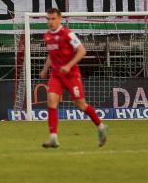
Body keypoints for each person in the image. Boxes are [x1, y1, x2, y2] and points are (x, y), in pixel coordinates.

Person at [39, 9, 108, 148]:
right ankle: (53, 137)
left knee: (80, 105)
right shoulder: (47, 36)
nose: (50, 22)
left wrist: (69, 65)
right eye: (48, 19)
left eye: (53, 19)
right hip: (56, 75)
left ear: (59, 19)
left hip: (71, 75)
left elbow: (82, 50)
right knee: (51, 101)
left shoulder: (67, 34)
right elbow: (51, 55)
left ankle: (100, 126)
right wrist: (45, 69)